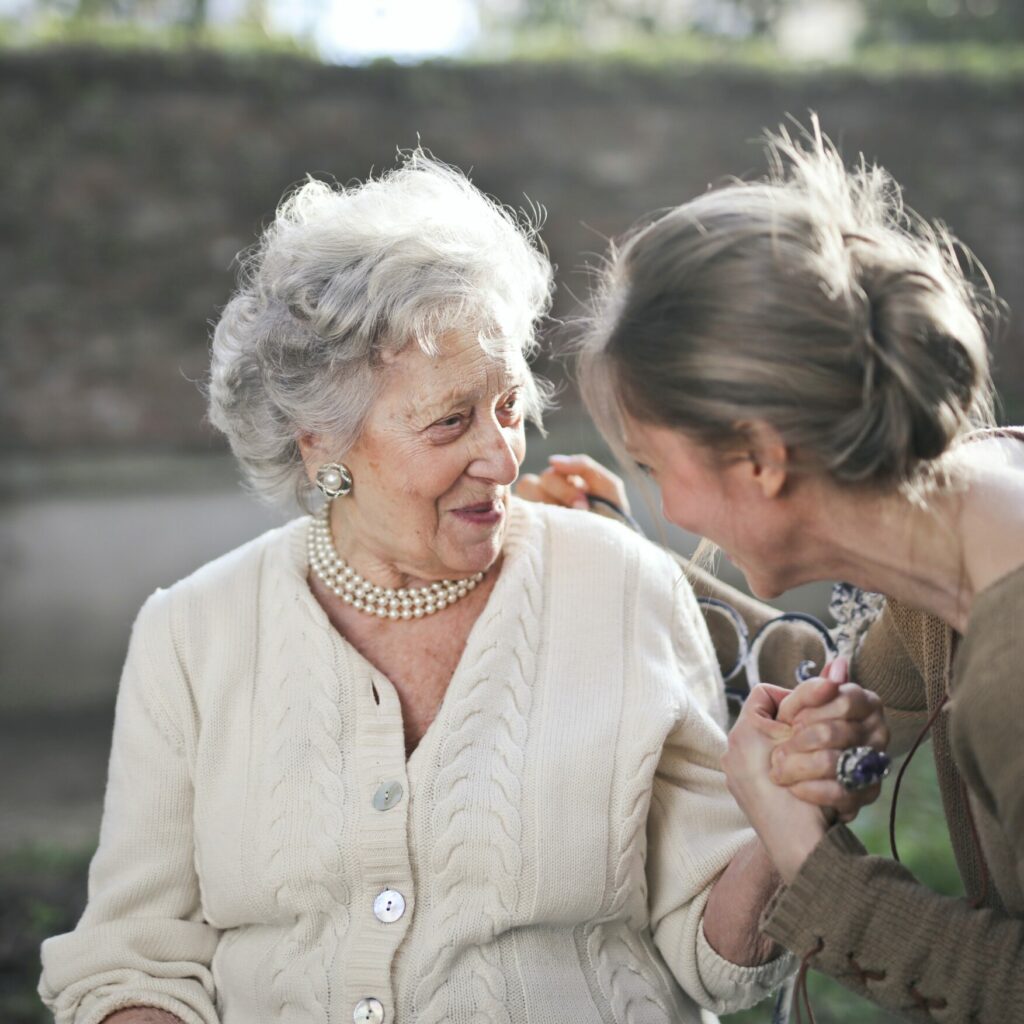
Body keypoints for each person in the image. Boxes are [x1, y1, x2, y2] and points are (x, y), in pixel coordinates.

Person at [38, 152, 885, 1024]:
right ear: (320, 444)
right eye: (450, 422)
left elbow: (717, 960)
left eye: (509, 408)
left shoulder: (620, 585)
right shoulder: (191, 633)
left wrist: (783, 814)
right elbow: (133, 960)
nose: (503, 457)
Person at [520, 122, 1024, 1021]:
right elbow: (827, 671)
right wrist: (618, 553)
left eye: (656, 466)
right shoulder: (965, 526)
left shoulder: (1012, 669)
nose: (673, 508)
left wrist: (809, 861)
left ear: (758, 457)